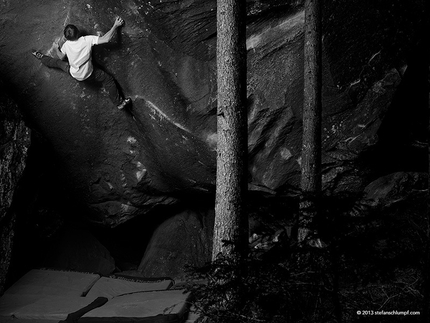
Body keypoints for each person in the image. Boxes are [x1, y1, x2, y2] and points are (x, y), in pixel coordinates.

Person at [32, 17, 131, 110]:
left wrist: (55, 48)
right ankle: (119, 103)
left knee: (57, 63)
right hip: (90, 73)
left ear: (66, 38)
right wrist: (116, 25)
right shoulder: (87, 40)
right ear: (78, 33)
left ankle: (40, 56)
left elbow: (61, 57)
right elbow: (106, 39)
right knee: (108, 80)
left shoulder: (66, 45)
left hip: (74, 73)